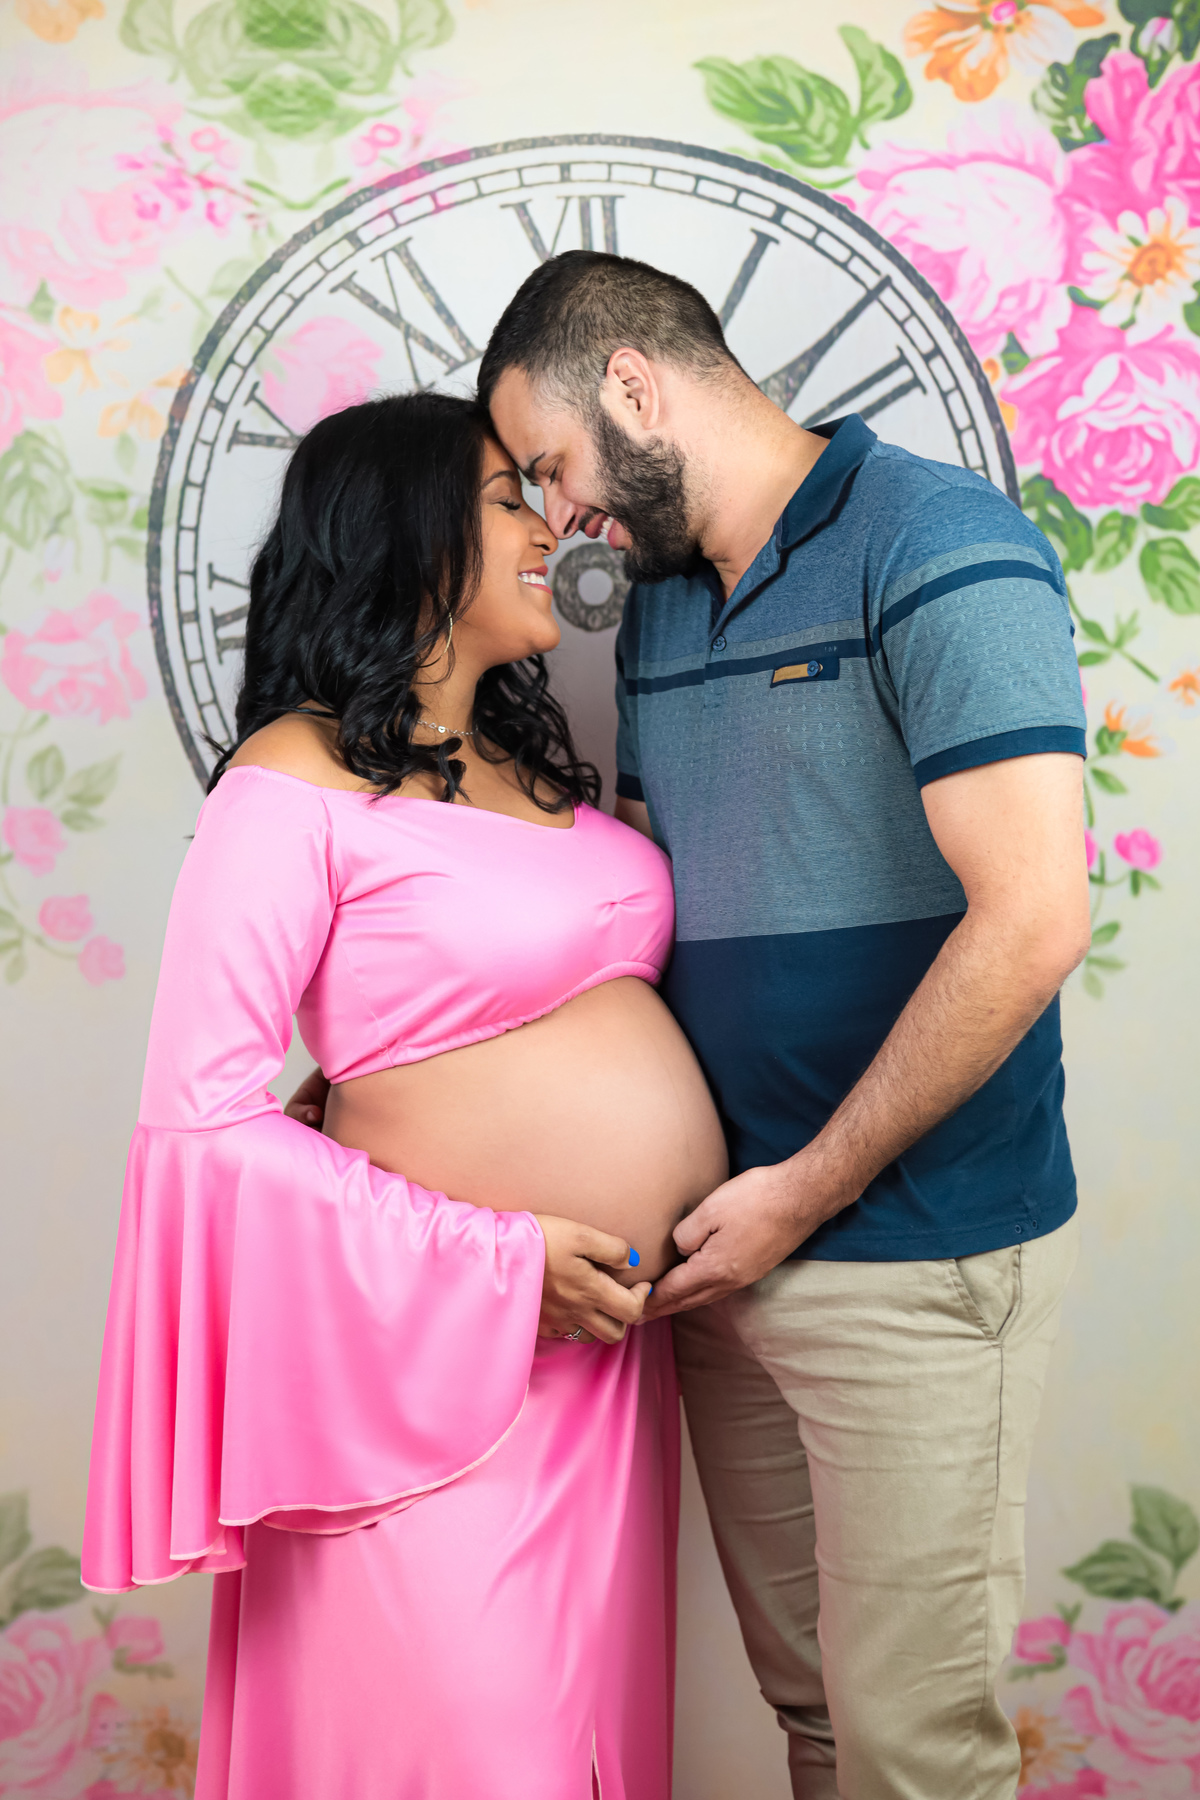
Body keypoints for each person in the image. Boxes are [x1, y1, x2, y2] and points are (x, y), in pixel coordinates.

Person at [480, 251, 1092, 1800]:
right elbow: (632, 913)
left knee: (911, 1749)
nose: (562, 516)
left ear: (634, 387)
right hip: (722, 1254)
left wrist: (801, 1192)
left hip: (913, 1250)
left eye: (553, 463)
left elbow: (1033, 920)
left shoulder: (938, 542)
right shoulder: (660, 609)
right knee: (813, 1717)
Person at [82, 391, 729, 1800]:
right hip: (425, 1378)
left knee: (583, 1757)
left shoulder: (533, 764)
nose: (549, 531)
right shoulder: (287, 781)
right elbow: (200, 1122)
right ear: (406, 535)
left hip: (604, 1377)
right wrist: (495, 1264)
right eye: (507, 499)